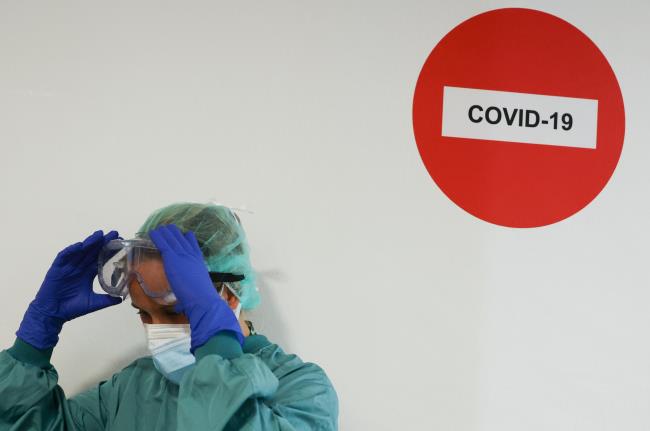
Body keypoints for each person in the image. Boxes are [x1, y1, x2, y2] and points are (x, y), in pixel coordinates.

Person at [0, 202, 338, 430]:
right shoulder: (132, 388)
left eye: (175, 311)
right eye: (144, 315)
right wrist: (34, 343)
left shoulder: (302, 390)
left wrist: (218, 349)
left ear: (226, 295)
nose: (157, 331)